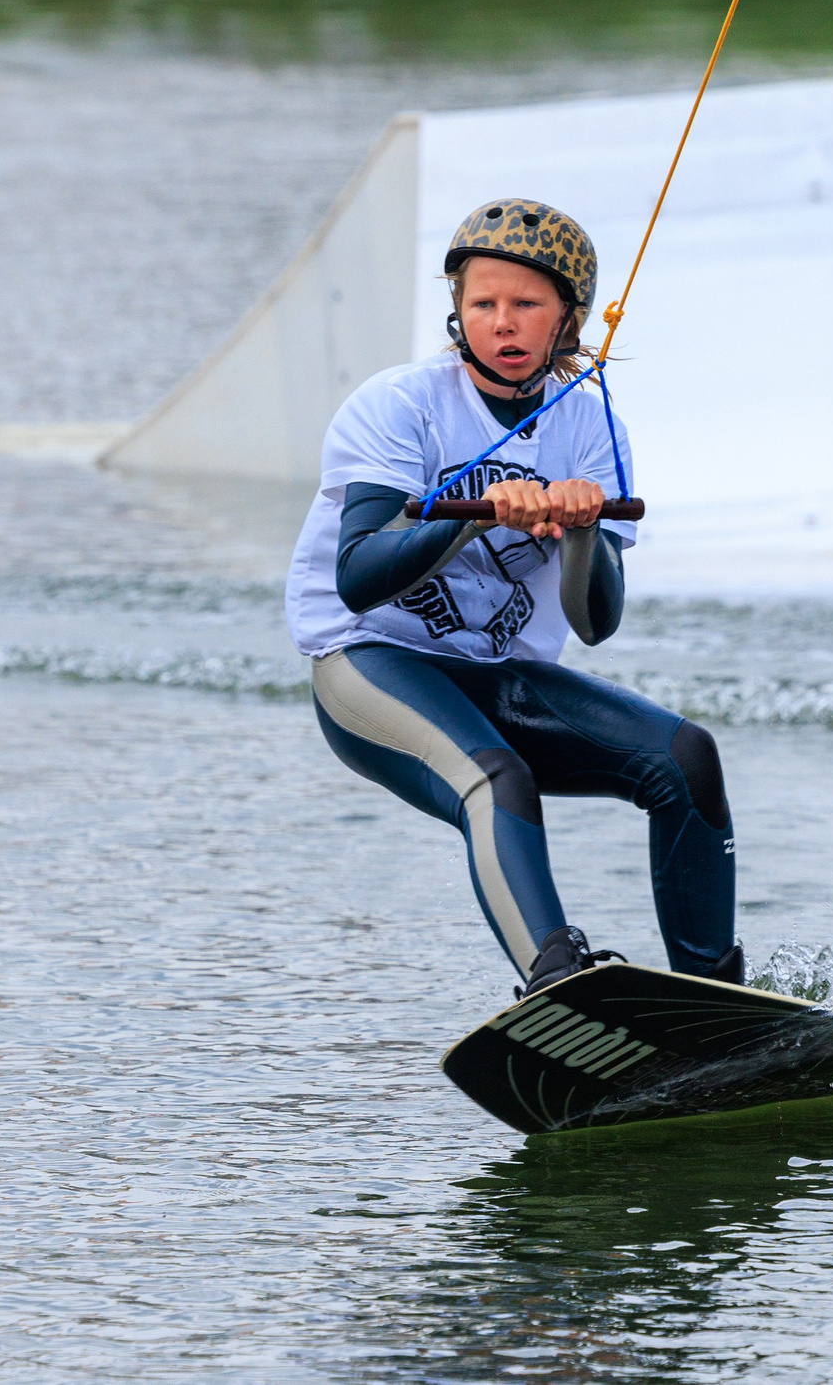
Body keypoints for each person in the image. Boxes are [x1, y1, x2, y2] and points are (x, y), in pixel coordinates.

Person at [286, 199, 742, 999]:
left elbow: (595, 624)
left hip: (495, 677)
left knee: (685, 759)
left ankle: (723, 998)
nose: (504, 322)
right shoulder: (400, 404)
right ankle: (555, 980)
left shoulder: (591, 426)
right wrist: (477, 516)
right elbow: (358, 576)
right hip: (369, 663)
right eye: (483, 303)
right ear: (457, 312)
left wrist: (577, 534)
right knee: (497, 780)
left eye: (526, 305)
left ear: (565, 318)